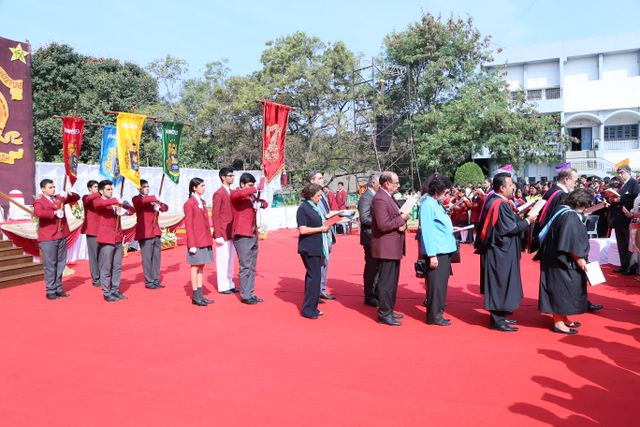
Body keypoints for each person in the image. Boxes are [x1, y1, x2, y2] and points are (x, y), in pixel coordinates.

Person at [475, 173, 537, 332]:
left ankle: (501, 316)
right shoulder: (500, 204)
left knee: (502, 283)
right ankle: (497, 320)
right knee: (500, 283)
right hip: (500, 251)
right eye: (510, 185)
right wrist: (527, 221)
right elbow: (511, 229)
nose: (513, 187)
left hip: (499, 249)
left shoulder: (494, 200)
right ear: (502, 188)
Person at [536, 189, 591, 334]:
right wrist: (579, 258)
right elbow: (569, 241)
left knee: (565, 289)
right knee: (561, 289)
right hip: (561, 261)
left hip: (555, 257)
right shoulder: (570, 216)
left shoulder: (562, 209)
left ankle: (563, 317)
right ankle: (558, 322)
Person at [371, 171, 410, 326]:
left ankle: (389, 309)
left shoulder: (388, 196)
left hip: (392, 246)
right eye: (396, 182)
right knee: (386, 283)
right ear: (387, 183)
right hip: (386, 247)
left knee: (392, 282)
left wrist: (401, 220)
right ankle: (384, 313)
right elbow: (383, 224)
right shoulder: (380, 198)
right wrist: (401, 219)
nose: (398, 185)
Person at [418, 175, 457, 326]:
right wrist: (432, 254)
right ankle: (433, 315)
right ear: (437, 191)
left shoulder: (435, 202)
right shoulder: (428, 204)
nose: (447, 195)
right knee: (436, 285)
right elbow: (427, 231)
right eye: (445, 192)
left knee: (441, 284)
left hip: (444, 248)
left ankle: (438, 312)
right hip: (437, 251)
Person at [32, 179, 80, 300]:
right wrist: (54, 213)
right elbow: (38, 212)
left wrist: (68, 193)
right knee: (50, 265)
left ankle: (58, 288)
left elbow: (76, 198)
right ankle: (50, 290)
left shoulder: (59, 198)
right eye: (50, 187)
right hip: (48, 237)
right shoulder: (39, 201)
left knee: (61, 264)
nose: (53, 189)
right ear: (43, 189)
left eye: (53, 187)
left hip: (61, 235)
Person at [94, 180, 134, 302]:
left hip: (117, 238)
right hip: (106, 239)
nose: (111, 191)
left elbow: (132, 210)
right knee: (106, 267)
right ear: (101, 191)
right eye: (108, 189)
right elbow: (99, 205)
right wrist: (116, 201)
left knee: (117, 266)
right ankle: (106, 292)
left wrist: (125, 210)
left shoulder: (115, 202)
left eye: (111, 189)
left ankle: (115, 290)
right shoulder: (99, 201)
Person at [230, 172, 267, 305]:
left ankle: (251, 293)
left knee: (252, 266)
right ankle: (245, 295)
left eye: (253, 185)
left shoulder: (251, 197)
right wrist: (256, 187)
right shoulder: (235, 193)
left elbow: (264, 204)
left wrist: (260, 203)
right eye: (249, 185)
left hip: (252, 233)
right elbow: (239, 195)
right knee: (245, 266)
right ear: (242, 184)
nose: (252, 187)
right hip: (242, 234)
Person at [296, 183, 331, 319]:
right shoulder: (303, 208)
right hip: (309, 247)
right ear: (311, 196)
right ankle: (308, 309)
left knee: (315, 277)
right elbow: (302, 230)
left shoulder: (314, 207)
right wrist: (321, 229)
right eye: (318, 196)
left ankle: (312, 306)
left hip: (316, 246)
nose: (320, 198)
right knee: (314, 278)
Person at [531, 168, 578, 253]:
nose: (575, 184)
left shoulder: (551, 190)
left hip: (543, 232)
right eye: (574, 181)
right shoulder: (562, 195)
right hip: (552, 237)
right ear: (566, 179)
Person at [183, 178, 215, 306]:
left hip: (204, 239)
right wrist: (191, 244)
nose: (204, 188)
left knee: (201, 266)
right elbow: (188, 225)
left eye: (204, 185)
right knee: (195, 267)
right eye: (201, 186)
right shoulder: (189, 203)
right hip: (196, 241)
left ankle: (200, 295)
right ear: (194, 188)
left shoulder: (202, 202)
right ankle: (195, 296)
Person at [132, 179, 168, 290]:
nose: (147, 188)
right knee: (147, 258)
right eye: (144, 187)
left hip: (155, 231)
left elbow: (165, 208)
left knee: (156, 258)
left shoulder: (152, 200)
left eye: (147, 186)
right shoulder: (137, 199)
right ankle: (149, 281)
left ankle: (155, 280)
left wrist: (159, 204)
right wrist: (155, 198)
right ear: (139, 188)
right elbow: (142, 201)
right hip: (145, 233)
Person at [307, 171, 336, 300]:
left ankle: (321, 290)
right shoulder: (309, 196)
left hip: (327, 232)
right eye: (319, 178)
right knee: (316, 265)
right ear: (312, 181)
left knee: (324, 263)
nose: (322, 180)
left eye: (322, 178)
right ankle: (315, 292)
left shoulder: (323, 194)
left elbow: (326, 212)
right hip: (318, 233)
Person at [211, 167, 239, 294]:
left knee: (230, 260)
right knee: (223, 260)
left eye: (233, 175)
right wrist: (217, 234)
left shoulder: (232, 192)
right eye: (230, 175)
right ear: (223, 177)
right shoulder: (219, 193)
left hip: (232, 231)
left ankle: (230, 283)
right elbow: (215, 215)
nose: (232, 178)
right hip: (222, 232)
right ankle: (223, 285)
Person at [609, 165, 640, 275]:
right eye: (618, 173)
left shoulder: (633, 183)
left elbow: (635, 200)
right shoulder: (620, 185)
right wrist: (612, 199)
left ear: (628, 172)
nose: (619, 175)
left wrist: (620, 199)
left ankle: (631, 267)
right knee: (621, 244)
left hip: (627, 218)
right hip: (618, 219)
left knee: (629, 244)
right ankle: (624, 265)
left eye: (621, 172)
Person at [357, 173, 381, 307]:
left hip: (377, 237)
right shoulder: (366, 197)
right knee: (371, 267)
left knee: (378, 267)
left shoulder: (375, 195)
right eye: (380, 182)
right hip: (370, 238)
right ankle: (369, 295)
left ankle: (376, 292)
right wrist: (381, 222)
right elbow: (364, 218)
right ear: (373, 183)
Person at [81, 180, 101, 287]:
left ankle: (104, 276)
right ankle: (96, 278)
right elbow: (88, 200)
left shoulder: (102, 199)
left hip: (103, 231)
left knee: (103, 255)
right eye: (95, 187)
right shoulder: (86, 197)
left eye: (98, 187)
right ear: (89, 188)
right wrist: (101, 192)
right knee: (94, 256)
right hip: (92, 231)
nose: (97, 189)